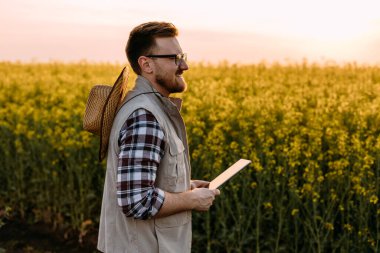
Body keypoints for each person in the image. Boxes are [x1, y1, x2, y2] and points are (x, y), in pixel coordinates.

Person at [97, 21, 220, 253]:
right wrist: (192, 200)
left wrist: (187, 186)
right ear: (147, 64)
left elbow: (145, 182)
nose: (184, 65)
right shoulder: (144, 116)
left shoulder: (151, 108)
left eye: (182, 56)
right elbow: (136, 201)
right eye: (174, 58)